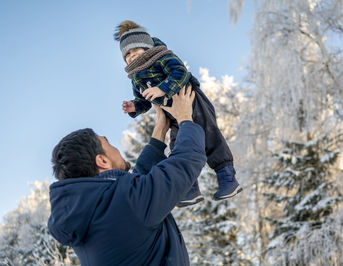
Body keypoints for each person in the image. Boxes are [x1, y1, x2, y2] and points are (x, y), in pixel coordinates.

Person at [48, 87, 206, 265]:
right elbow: (186, 161)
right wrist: (185, 118)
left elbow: (134, 192)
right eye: (108, 144)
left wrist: (160, 129)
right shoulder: (129, 203)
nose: (116, 148)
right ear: (102, 161)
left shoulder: (83, 213)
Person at [114, 20, 242, 206]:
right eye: (127, 55)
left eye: (135, 51)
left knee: (210, 137)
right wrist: (135, 107)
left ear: (147, 47)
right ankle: (190, 188)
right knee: (178, 146)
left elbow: (180, 72)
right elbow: (143, 99)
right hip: (172, 114)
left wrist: (162, 88)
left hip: (192, 101)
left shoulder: (161, 57)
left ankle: (227, 178)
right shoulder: (135, 78)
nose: (131, 56)